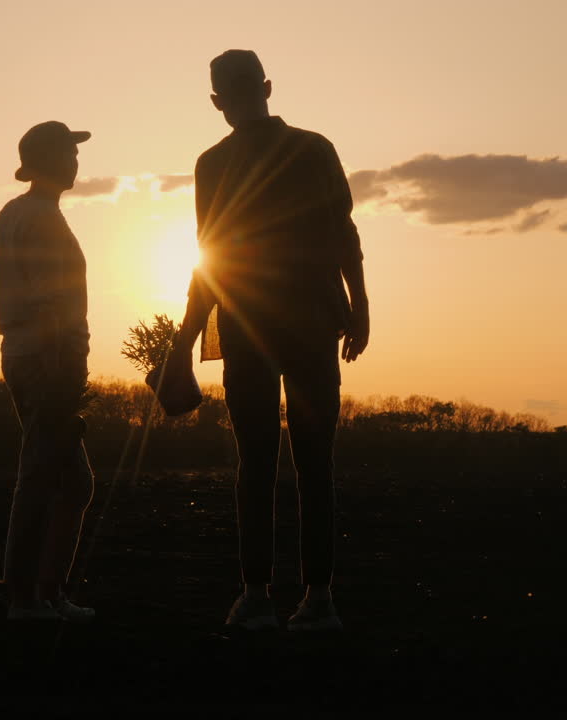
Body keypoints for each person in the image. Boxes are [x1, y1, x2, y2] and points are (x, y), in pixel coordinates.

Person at [172, 49, 370, 631]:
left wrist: (185, 340)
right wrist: (360, 306)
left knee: (254, 465)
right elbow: (343, 235)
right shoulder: (315, 148)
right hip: (311, 324)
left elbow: (209, 256)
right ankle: (320, 600)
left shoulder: (212, 164)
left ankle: (256, 598)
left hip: (247, 328)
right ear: (266, 87)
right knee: (316, 466)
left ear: (217, 101)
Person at [0, 121, 96, 622]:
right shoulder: (44, 222)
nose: (77, 162)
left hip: (23, 352)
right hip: (47, 359)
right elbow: (52, 302)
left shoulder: (14, 214)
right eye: (69, 153)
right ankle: (27, 599)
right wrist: (63, 373)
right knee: (41, 476)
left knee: (72, 483)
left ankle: (46, 595)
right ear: (49, 160)